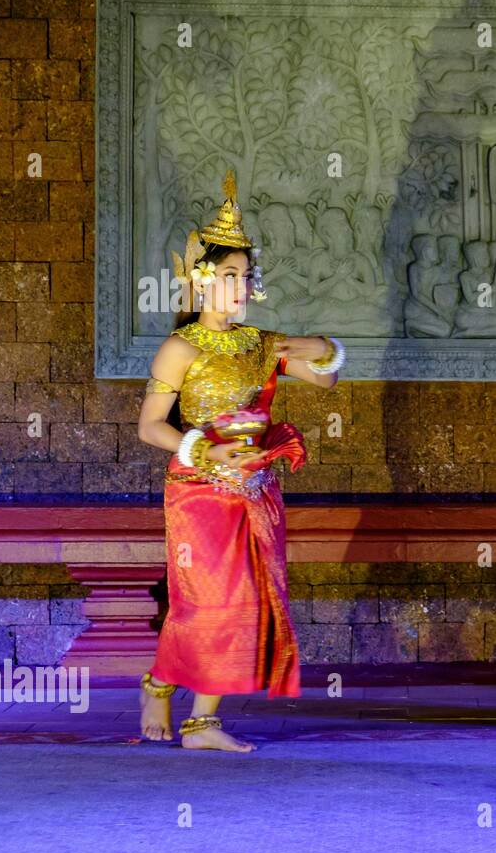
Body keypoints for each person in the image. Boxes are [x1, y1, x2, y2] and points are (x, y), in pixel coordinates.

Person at [136, 170, 346, 752]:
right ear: (202, 280)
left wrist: (326, 348)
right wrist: (204, 448)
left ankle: (203, 721)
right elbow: (149, 426)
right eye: (229, 275)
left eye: (246, 276)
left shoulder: (262, 343)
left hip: (256, 487)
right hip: (200, 484)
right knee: (204, 597)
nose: (240, 285)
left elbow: (327, 382)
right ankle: (159, 683)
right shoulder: (181, 347)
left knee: (248, 599)